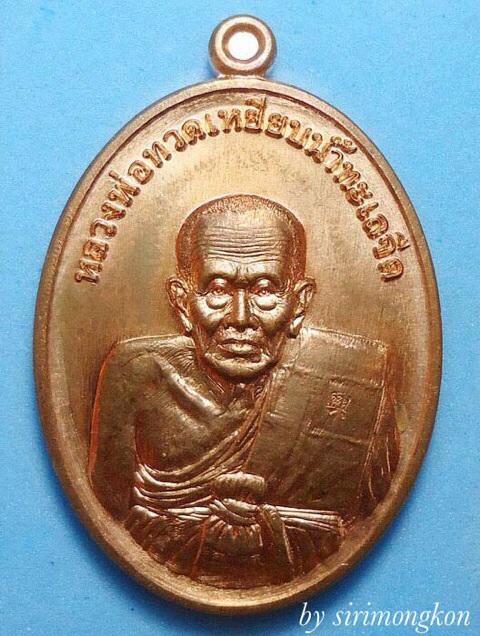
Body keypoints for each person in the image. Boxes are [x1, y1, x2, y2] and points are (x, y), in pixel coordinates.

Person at [88, 194, 399, 588]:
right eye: (217, 289)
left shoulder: (354, 380)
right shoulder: (138, 375)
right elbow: (107, 512)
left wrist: (267, 529)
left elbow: (369, 512)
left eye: (264, 290)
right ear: (182, 302)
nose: (240, 318)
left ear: (299, 304)